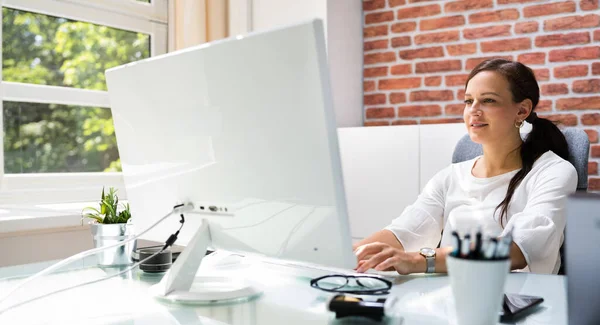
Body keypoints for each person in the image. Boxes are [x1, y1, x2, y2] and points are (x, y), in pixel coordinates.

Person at [353, 58, 577, 275]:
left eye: (488, 100)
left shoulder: (553, 172)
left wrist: (419, 260)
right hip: (448, 295)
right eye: (468, 101)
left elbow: (518, 249)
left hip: (516, 300)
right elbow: (403, 232)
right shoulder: (450, 177)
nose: (474, 110)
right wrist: (343, 256)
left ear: (522, 110)